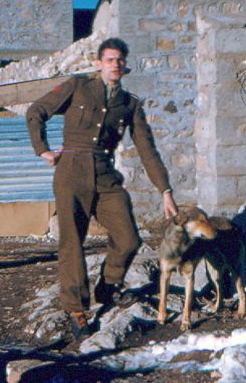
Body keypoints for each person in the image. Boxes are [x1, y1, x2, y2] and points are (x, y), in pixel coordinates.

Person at [26, 37, 178, 338]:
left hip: (106, 176)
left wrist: (165, 190)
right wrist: (42, 149)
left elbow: (147, 150)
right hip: (71, 170)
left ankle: (108, 289)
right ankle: (76, 308)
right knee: (72, 241)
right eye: (110, 59)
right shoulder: (77, 86)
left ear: (125, 65)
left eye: (120, 60)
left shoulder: (130, 104)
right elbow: (36, 112)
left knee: (129, 238)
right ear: (99, 63)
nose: (115, 64)